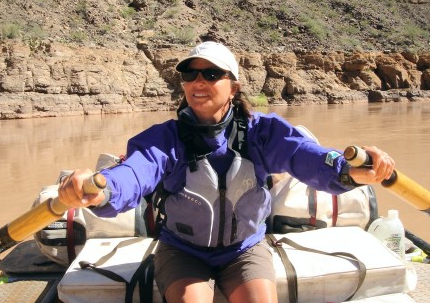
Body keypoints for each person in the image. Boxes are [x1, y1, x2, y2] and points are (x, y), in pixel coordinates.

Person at [58, 41, 395, 303]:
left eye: (211, 74)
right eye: (190, 75)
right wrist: (102, 189)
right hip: (183, 250)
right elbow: (135, 171)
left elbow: (304, 156)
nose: (198, 81)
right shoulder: (167, 138)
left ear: (233, 88)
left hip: (244, 249)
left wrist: (346, 170)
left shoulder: (262, 133)